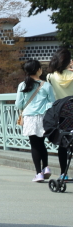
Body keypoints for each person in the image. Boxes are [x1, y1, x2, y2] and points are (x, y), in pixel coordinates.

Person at [15, 59, 57, 182]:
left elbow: (18, 104)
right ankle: (46, 167)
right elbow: (52, 102)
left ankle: (39, 173)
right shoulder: (46, 85)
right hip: (43, 117)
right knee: (42, 143)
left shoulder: (22, 85)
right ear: (39, 70)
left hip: (29, 118)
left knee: (34, 145)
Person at [47, 47, 73, 180]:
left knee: (63, 144)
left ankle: (63, 173)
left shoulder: (50, 77)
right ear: (68, 61)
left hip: (61, 113)